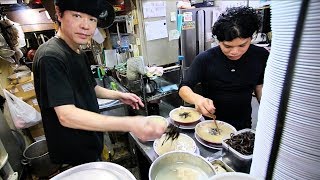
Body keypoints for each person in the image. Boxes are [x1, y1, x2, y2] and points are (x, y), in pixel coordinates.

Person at [32, 0, 166, 166]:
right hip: (73, 154)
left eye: (92, 19)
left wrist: (120, 95)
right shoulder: (51, 56)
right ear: (59, 13)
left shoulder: (77, 51)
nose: (86, 26)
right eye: (77, 16)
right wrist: (130, 123)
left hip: (89, 143)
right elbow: (66, 116)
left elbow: (91, 87)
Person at [179, 6, 269, 130]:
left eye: (242, 45)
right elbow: (184, 88)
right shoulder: (205, 59)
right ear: (218, 40)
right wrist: (197, 99)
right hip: (210, 124)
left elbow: (259, 85)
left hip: (243, 126)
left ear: (251, 38)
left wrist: (268, 111)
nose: (235, 52)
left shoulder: (260, 55)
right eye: (227, 46)